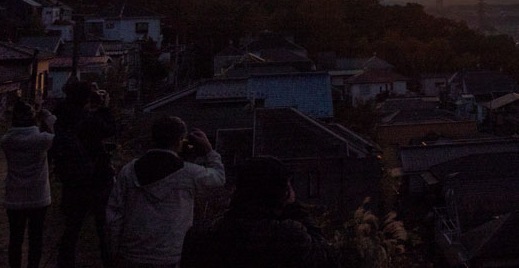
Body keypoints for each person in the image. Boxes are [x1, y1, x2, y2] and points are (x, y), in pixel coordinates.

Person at [105, 115, 225, 268]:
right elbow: (219, 178)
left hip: (131, 254)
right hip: (169, 255)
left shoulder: (129, 170)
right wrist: (209, 151)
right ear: (181, 140)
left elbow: (114, 216)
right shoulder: (189, 173)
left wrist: (114, 251)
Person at [181, 156, 338, 268]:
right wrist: (293, 207)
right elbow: (326, 258)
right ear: (284, 194)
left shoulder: (199, 235)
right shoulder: (288, 237)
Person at [52, 79, 117, 268]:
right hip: (95, 179)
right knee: (103, 228)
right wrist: (104, 107)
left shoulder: (61, 116)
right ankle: (107, 261)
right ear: (85, 98)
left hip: (71, 180)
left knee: (71, 229)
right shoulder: (86, 119)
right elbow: (109, 129)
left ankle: (65, 263)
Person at [1, 99, 55, 268]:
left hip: (14, 197)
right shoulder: (43, 140)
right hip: (38, 197)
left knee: (15, 239)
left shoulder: (6, 141)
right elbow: (60, 131)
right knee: (35, 238)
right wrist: (46, 115)